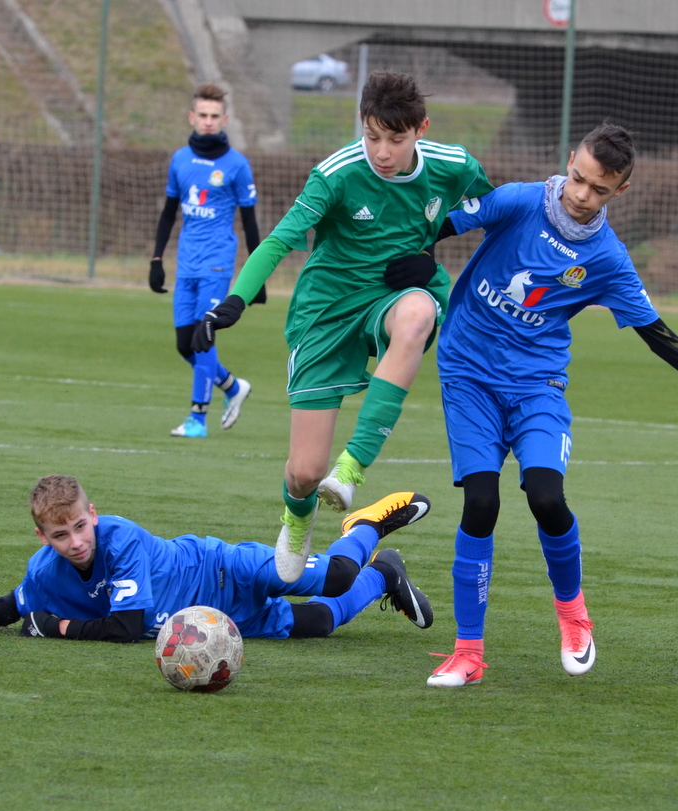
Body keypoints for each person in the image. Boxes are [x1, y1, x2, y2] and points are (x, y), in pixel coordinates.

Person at [424, 122, 678, 687]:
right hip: (467, 374)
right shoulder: (518, 201)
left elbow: (661, 338)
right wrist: (410, 265)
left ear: (621, 191)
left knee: (545, 494)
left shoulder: (608, 260)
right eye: (578, 178)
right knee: (481, 503)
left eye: (598, 189)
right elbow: (437, 225)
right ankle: (468, 653)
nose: (581, 195)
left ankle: (574, 616)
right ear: (570, 160)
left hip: (537, 384)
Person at [189, 71, 494, 583]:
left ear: (421, 128)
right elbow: (280, 240)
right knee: (305, 472)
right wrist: (235, 300)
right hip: (327, 311)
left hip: (394, 297)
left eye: (396, 139)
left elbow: (490, 213)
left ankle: (352, 468)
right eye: (373, 136)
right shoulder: (337, 174)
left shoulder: (454, 165)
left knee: (419, 315)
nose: (382, 151)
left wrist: (430, 254)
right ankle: (296, 517)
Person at [0, 476, 434, 642]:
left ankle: (363, 526)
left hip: (221, 568)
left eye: (80, 526)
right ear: (42, 537)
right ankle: (386, 570)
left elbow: (125, 626)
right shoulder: (46, 570)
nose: (76, 541)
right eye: (61, 535)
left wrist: (55, 628)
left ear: (92, 515)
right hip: (216, 623)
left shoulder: (118, 540)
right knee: (323, 622)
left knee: (337, 575)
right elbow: (21, 601)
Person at [148, 83, 262, 439]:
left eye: (215, 116)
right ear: (192, 117)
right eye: (203, 115)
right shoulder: (180, 159)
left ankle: (198, 418)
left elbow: (250, 221)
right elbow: (168, 213)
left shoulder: (237, 165)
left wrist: (257, 276)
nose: (209, 122)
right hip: (187, 262)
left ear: (224, 119)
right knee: (185, 344)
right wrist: (156, 259)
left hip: (217, 262)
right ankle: (230, 386)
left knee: (204, 337)